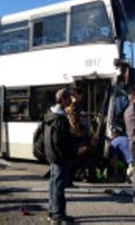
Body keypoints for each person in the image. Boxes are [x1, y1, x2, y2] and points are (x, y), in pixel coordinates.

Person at [44, 88, 76, 224]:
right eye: (69, 98)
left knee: (54, 184)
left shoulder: (51, 114)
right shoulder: (60, 118)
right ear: (63, 99)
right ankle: (57, 215)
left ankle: (53, 212)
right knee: (58, 185)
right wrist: (66, 154)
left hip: (53, 156)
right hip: (60, 157)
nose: (72, 100)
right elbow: (60, 141)